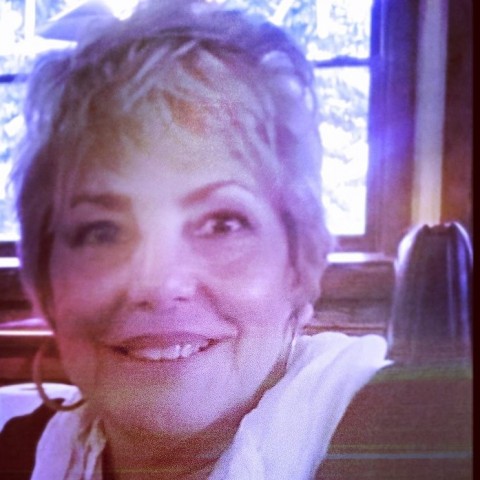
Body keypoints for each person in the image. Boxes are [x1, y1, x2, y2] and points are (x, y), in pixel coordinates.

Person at [0, 1, 389, 478]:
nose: (159, 284)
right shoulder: (17, 454)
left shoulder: (403, 438)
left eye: (222, 223)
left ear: (299, 268)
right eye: (102, 231)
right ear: (46, 288)